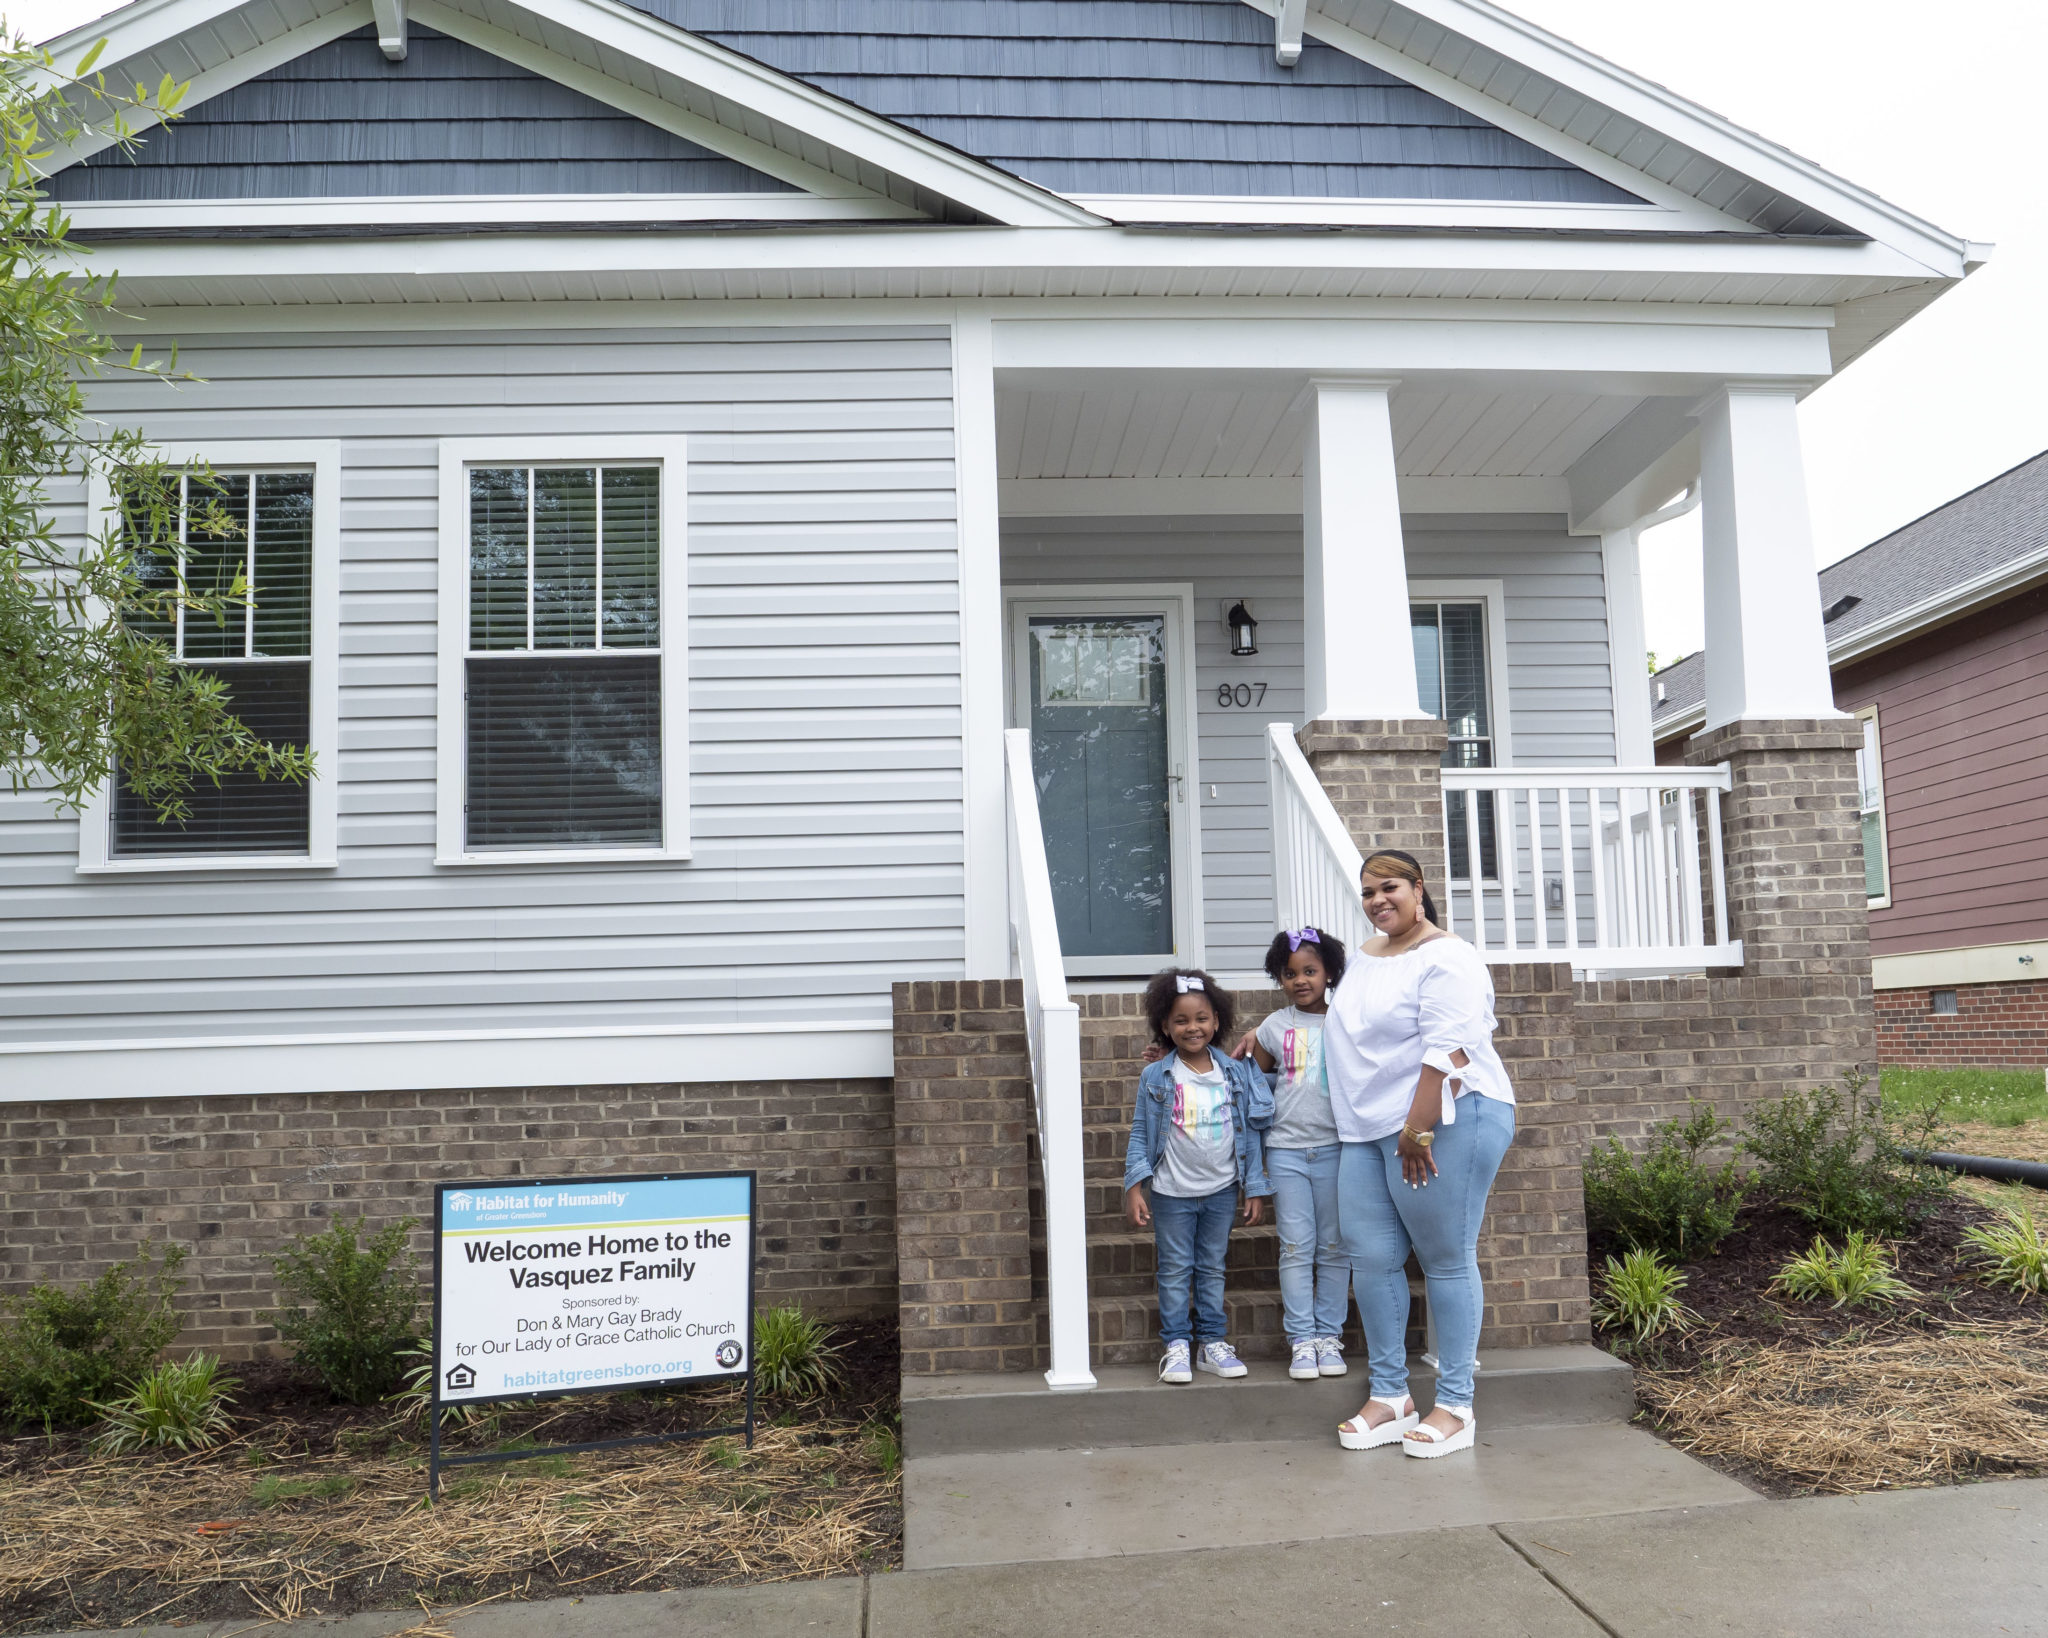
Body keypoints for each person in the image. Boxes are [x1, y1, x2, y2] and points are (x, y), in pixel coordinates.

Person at [1324, 850, 1516, 1458]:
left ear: (1419, 889)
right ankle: (1391, 1397)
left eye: (1391, 888)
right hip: (1368, 1128)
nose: (1379, 900)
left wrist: (1418, 1127)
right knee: (1372, 1257)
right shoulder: (1363, 956)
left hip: (1445, 1118)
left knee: (1446, 1258)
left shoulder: (1448, 956)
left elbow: (1453, 1048)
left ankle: (1456, 1406)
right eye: (1368, 892)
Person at [1123, 968, 1273, 1385]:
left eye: (1201, 1018)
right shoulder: (1156, 1075)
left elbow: (1254, 1131)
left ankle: (1210, 1342)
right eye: (1181, 1020)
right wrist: (1135, 1185)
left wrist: (1254, 1187)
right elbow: (1140, 1131)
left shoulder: (1236, 1073)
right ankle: (1175, 1344)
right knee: (1174, 1269)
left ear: (1217, 1021)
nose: (1193, 1027)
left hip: (1222, 1189)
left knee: (1211, 1268)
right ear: (1166, 1027)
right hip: (1171, 1192)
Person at [1231, 927, 1351, 1381]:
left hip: (1338, 1149)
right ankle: (1302, 1339)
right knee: (1296, 1247)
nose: (1300, 980)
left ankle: (1328, 1336)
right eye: (1289, 973)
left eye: (1310, 971)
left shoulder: (1345, 1018)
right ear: (1279, 978)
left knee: (1336, 1247)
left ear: (1329, 973)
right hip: (1285, 1151)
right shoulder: (1275, 1026)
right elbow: (1243, 1082)